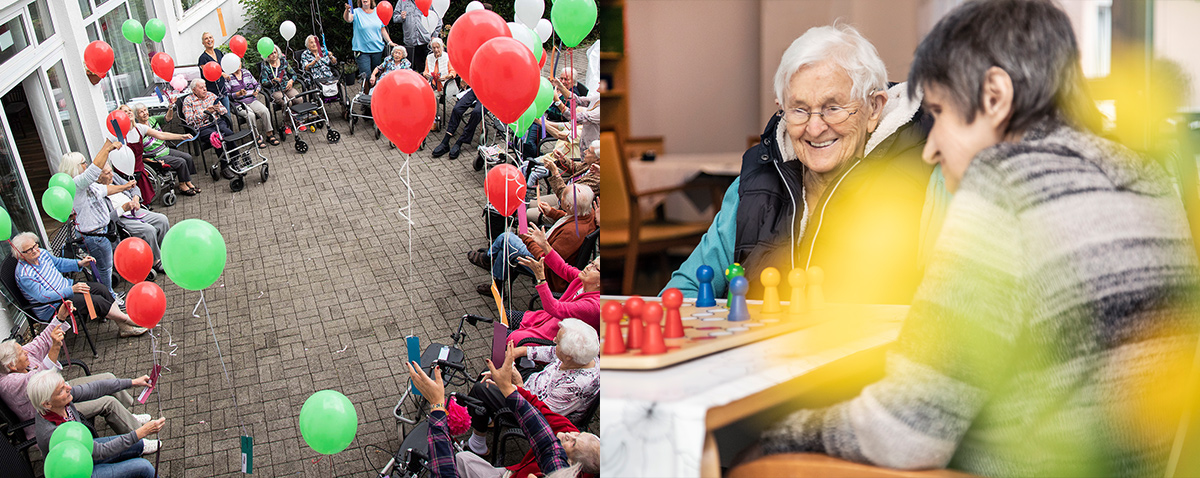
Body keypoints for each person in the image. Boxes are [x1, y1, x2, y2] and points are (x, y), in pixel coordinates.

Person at [742, 1, 1200, 476]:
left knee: (754, 466)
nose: (932, 145)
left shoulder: (1004, 187)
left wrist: (779, 435)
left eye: (940, 113)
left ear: (996, 96)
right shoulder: (1150, 178)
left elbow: (907, 433)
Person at [663, 24, 944, 305]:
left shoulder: (929, 183)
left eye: (833, 108)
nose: (815, 127)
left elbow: (951, 312)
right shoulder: (751, 187)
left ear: (874, 108)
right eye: (799, 109)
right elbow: (683, 292)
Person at [407, 342, 600, 478]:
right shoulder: (559, 464)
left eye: (573, 444)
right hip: (510, 472)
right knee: (463, 459)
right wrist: (511, 388)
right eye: (577, 434)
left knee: (481, 392)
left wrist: (438, 406)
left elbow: (444, 471)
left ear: (574, 467)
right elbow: (543, 437)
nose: (568, 435)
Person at [0, 307, 151, 440]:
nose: (25, 353)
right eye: (21, 353)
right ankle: (138, 438)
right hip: (53, 412)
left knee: (108, 377)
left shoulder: (21, 358)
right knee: (107, 402)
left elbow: (41, 341)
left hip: (60, 392)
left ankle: (126, 416)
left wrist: (60, 318)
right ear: (12, 365)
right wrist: (55, 348)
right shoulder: (8, 384)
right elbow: (37, 378)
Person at [464, 318, 599, 456]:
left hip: (530, 406)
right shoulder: (585, 356)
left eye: (557, 342)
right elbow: (552, 352)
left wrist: (518, 385)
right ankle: (484, 415)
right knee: (491, 372)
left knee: (481, 388)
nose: (553, 341)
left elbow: (539, 414)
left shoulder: (573, 387)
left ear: (569, 356)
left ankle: (477, 444)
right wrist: (520, 351)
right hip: (534, 384)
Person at [28, 370, 164, 477]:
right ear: (47, 403)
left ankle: (137, 451)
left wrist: (133, 382)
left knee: (137, 443)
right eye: (61, 390)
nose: (69, 388)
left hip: (85, 450)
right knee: (143, 467)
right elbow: (101, 451)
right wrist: (142, 432)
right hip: (79, 472)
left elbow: (96, 387)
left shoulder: (60, 401)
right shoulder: (51, 433)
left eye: (65, 384)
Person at [10, 231, 147, 337]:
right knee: (96, 301)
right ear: (20, 255)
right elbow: (43, 297)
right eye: (30, 250)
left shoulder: (43, 254)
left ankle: (123, 328)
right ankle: (128, 319)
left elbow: (59, 263)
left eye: (35, 245)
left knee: (101, 289)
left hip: (67, 289)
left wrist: (79, 263)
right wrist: (71, 290)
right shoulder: (25, 275)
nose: (35, 250)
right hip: (54, 305)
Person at [469, 184, 597, 294]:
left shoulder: (571, 233)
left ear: (568, 206)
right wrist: (551, 212)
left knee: (506, 237)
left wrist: (527, 239)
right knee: (506, 249)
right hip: (544, 244)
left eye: (562, 197)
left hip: (545, 267)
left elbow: (547, 260)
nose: (560, 198)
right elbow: (569, 217)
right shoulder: (587, 213)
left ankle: (488, 259)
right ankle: (496, 285)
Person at [61, 150, 171, 276]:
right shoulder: (90, 190)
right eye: (107, 174)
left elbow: (133, 187)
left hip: (134, 210)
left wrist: (135, 198)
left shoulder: (114, 178)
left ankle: (165, 252)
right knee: (148, 230)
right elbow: (106, 218)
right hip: (120, 219)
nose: (112, 175)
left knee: (162, 220)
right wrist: (123, 208)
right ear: (98, 177)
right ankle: (155, 261)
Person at [131, 103, 200, 195]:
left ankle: (187, 181)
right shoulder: (138, 131)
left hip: (165, 149)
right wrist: (151, 161)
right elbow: (140, 153)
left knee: (188, 157)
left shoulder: (152, 120)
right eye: (141, 112)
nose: (144, 113)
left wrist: (171, 107)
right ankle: (182, 185)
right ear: (136, 116)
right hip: (155, 156)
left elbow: (168, 118)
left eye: (145, 110)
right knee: (181, 162)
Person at [343, 0, 399, 80]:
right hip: (362, 51)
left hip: (377, 50)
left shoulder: (378, 11)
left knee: (376, 75)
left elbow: (382, 29)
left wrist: (390, 42)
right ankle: (367, 92)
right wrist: (347, 10)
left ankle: (374, 92)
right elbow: (348, 19)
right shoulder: (356, 12)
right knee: (366, 76)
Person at [228, 64, 278, 147]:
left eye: (239, 62)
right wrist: (238, 94)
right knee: (250, 115)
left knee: (265, 110)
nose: (238, 64)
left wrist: (257, 91)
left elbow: (257, 85)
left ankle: (269, 134)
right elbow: (227, 95)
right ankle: (256, 137)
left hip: (252, 100)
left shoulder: (246, 72)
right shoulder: (228, 77)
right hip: (238, 103)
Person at [431, 77, 481, 160]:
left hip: (491, 93)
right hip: (477, 88)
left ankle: (460, 141)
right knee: (457, 109)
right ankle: (446, 140)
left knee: (477, 112)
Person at [261, 46, 301, 136]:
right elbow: (263, 82)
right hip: (276, 90)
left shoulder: (283, 62)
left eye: (275, 52)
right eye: (271, 53)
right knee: (287, 102)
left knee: (299, 99)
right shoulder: (266, 67)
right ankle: (287, 123)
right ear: (267, 56)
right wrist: (272, 81)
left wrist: (291, 81)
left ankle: (298, 119)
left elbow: (294, 74)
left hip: (287, 87)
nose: (274, 55)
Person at [197, 32, 232, 123]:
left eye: (210, 37)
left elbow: (224, 65)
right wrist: (222, 74)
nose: (209, 40)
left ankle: (231, 135)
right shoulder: (203, 58)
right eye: (206, 39)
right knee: (216, 118)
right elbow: (208, 71)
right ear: (203, 43)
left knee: (227, 115)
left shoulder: (218, 52)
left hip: (222, 90)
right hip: (212, 93)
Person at [396, 0, 437, 75]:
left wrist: (434, 35)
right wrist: (401, 17)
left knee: (429, 69)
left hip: (426, 41)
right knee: (410, 71)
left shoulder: (426, 1)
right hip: (410, 42)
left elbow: (437, 18)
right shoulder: (402, 1)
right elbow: (395, 18)